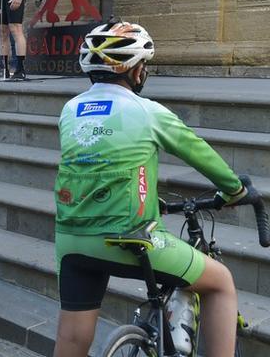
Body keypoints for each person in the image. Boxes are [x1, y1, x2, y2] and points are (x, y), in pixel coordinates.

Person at [52, 21, 246, 357]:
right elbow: (199, 152)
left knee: (71, 341)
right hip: (126, 238)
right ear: (136, 69)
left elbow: (99, 163)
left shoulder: (71, 110)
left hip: (71, 239)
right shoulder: (147, 111)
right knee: (221, 284)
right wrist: (235, 190)